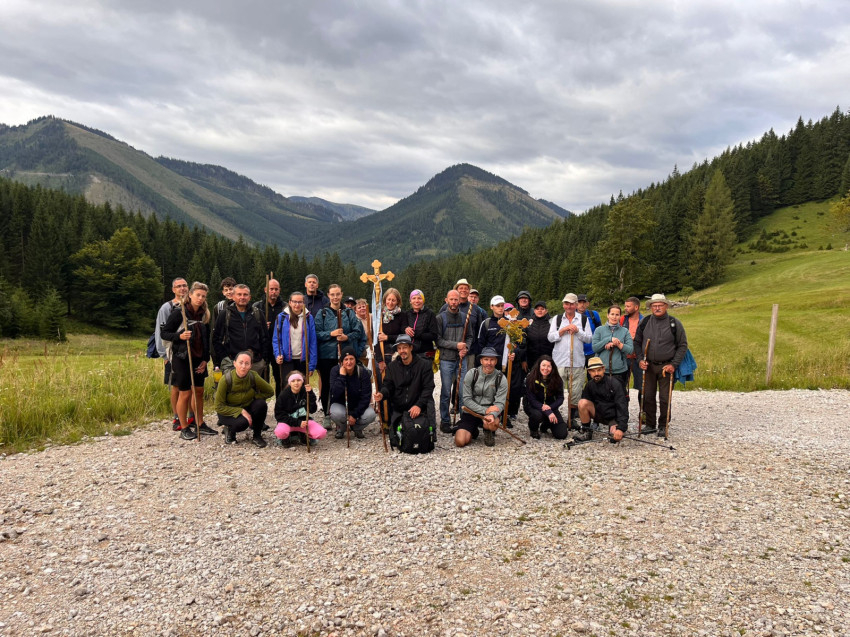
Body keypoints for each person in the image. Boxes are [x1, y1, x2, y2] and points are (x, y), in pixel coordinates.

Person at [161, 282, 215, 439]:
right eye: (197, 295)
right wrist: (179, 336)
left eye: (203, 296)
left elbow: (207, 338)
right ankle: (184, 427)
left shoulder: (204, 314)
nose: (200, 298)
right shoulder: (180, 312)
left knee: (199, 391)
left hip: (199, 357)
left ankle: (199, 423)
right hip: (182, 357)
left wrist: (206, 359)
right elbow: (165, 333)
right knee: (185, 392)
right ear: (190, 295)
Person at [633, 294, 688, 436]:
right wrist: (640, 360)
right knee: (647, 397)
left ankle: (663, 425)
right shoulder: (645, 322)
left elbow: (682, 345)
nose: (657, 308)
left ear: (666, 306)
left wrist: (674, 365)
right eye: (654, 305)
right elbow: (637, 342)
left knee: (665, 398)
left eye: (660, 305)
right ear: (651, 307)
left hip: (666, 367)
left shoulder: (674, 323)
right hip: (648, 366)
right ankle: (650, 424)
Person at [373, 334, 436, 448]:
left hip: (419, 406)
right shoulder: (392, 367)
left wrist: (419, 405)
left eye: (405, 347)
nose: (402, 351)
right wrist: (382, 394)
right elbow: (388, 385)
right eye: (399, 348)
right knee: (396, 440)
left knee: (423, 435)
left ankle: (430, 433)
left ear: (411, 347)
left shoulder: (424, 365)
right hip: (400, 407)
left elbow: (428, 388)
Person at [315, 284, 365, 425]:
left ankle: (344, 414)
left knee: (346, 383)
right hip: (327, 356)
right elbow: (316, 333)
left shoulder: (349, 313)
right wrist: (330, 334)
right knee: (327, 385)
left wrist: (346, 337)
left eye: (338, 294)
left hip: (345, 356)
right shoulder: (322, 313)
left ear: (341, 294)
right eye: (332, 294)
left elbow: (358, 332)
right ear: (328, 295)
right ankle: (327, 414)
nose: (335, 297)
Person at [477, 295, 524, 427]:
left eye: (502, 305)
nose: (500, 308)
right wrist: (483, 361)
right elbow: (481, 344)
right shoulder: (486, 323)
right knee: (489, 389)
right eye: (497, 306)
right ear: (491, 307)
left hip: (507, 363)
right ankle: (488, 414)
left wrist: (515, 353)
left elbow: (518, 343)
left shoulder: (511, 323)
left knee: (505, 389)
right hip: (490, 364)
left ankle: (504, 415)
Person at [547, 293, 592, 425]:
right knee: (556, 390)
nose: (569, 306)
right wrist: (562, 330)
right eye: (566, 303)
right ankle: (554, 417)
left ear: (576, 305)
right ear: (563, 305)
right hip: (559, 361)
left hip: (577, 361)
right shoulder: (557, 319)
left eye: (572, 304)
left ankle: (571, 419)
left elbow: (589, 338)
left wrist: (578, 331)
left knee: (575, 392)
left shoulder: (583, 319)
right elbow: (550, 338)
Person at [215, 350, 274, 447]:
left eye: (247, 363)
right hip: (228, 412)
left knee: (261, 404)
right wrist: (240, 411)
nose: (243, 366)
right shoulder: (225, 379)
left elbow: (270, 391)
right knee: (242, 423)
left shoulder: (253, 376)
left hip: (247, 406)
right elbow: (218, 407)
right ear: (234, 363)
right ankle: (229, 430)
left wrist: (254, 397)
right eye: (241, 362)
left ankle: (257, 436)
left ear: (251, 366)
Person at [436, 289, 475, 433]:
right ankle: (445, 421)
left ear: (460, 300)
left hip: (461, 360)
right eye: (451, 299)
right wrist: (456, 345)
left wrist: (466, 348)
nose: (453, 302)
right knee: (446, 391)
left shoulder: (465, 317)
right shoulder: (440, 318)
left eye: (456, 299)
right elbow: (438, 340)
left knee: (463, 391)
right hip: (446, 360)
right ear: (446, 300)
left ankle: (464, 421)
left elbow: (469, 337)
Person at [454, 347, 507, 447]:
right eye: (486, 359)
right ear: (481, 361)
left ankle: (488, 431)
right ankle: (473, 430)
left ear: (496, 361)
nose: (489, 363)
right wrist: (484, 410)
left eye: (492, 360)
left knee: (491, 424)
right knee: (460, 442)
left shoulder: (501, 378)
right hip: (471, 411)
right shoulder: (472, 374)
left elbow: (500, 403)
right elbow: (466, 399)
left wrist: (492, 414)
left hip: (490, 412)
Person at [211, 284, 267, 375]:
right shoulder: (225, 314)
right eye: (239, 294)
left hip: (254, 363)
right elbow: (216, 339)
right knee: (233, 384)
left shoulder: (257, 314)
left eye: (245, 294)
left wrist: (263, 358)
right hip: (232, 362)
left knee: (253, 384)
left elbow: (265, 338)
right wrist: (223, 358)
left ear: (249, 297)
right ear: (233, 297)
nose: (242, 297)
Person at [155, 277, 188, 430]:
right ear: (173, 289)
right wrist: (164, 355)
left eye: (185, 285)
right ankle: (176, 417)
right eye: (178, 286)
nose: (182, 288)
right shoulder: (166, 308)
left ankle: (189, 416)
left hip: (187, 353)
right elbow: (160, 332)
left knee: (188, 387)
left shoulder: (190, 305)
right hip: (171, 353)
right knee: (176, 385)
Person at [577, 357, 629, 443]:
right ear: (589, 372)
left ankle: (613, 427)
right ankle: (586, 431)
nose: (596, 373)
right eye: (593, 371)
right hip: (598, 414)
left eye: (599, 370)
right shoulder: (589, 385)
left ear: (604, 369)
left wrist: (621, 428)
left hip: (613, 417)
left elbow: (622, 406)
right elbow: (586, 406)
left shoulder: (615, 383)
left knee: (615, 437)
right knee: (582, 403)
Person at [272, 291, 318, 389]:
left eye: (300, 302)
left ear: (303, 303)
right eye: (294, 302)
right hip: (286, 360)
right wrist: (278, 354)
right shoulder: (281, 317)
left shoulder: (308, 318)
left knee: (302, 388)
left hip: (303, 360)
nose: (297, 305)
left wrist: (312, 364)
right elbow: (276, 339)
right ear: (290, 302)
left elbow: (313, 342)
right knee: (288, 388)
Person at [329, 346, 377, 439]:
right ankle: (342, 428)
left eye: (351, 359)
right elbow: (334, 394)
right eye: (346, 359)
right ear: (342, 361)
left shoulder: (363, 372)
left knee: (371, 415)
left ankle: (357, 428)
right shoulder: (335, 371)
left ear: (355, 360)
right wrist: (342, 377)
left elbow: (366, 397)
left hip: (357, 405)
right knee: (335, 413)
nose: (349, 362)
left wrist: (355, 415)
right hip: (341, 405)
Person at [273, 370, 325, 447]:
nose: (296, 383)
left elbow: (312, 410)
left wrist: (310, 394)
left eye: (298, 380)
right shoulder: (283, 395)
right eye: (293, 381)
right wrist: (298, 422)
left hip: (304, 422)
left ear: (302, 381)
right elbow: (279, 415)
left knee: (321, 433)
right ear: (289, 383)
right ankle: (285, 438)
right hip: (288, 422)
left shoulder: (306, 392)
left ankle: (304, 435)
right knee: (281, 432)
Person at [592, 305, 634, 391]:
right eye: (612, 314)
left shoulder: (625, 331)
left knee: (619, 395)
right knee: (602, 395)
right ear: (608, 315)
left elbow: (630, 350)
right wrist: (609, 339)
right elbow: (595, 348)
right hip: (602, 370)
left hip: (620, 371)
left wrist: (617, 343)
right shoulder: (599, 330)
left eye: (617, 314)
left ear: (620, 316)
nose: (614, 317)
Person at [524, 354, 566, 440]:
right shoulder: (530, 378)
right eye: (543, 365)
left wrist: (550, 408)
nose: (546, 368)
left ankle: (546, 424)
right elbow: (531, 399)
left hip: (551, 406)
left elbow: (560, 398)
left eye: (549, 366)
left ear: (552, 368)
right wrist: (547, 410)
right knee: (537, 415)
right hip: (534, 406)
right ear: (539, 365)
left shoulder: (557, 379)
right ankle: (533, 429)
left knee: (561, 434)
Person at [253, 278, 284, 393]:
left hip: (279, 347)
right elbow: (250, 327)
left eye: (276, 289)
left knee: (280, 378)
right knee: (262, 378)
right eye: (271, 289)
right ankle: (262, 403)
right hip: (262, 347)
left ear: (279, 290)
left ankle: (280, 402)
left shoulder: (285, 307)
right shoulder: (257, 307)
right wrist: (260, 326)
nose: (274, 292)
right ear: (266, 290)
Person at [620, 296, 644, 403]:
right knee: (621, 385)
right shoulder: (622, 320)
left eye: (628, 306)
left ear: (636, 307)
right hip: (624, 357)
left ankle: (642, 411)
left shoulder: (644, 320)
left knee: (642, 387)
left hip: (639, 358)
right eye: (625, 306)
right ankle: (623, 410)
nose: (625, 308)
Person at [405, 289, 438, 360]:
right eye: (414, 298)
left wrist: (417, 334)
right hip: (409, 353)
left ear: (423, 300)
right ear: (410, 301)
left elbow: (434, 335)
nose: (416, 301)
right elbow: (402, 328)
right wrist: (405, 329)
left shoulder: (430, 314)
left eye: (419, 298)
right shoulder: (407, 314)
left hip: (425, 354)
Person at [209, 276, 236, 355]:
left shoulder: (241, 305)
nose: (229, 292)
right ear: (223, 292)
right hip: (223, 346)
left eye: (231, 289)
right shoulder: (219, 307)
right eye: (226, 290)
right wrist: (213, 353)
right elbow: (214, 330)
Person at [525, 300, 554, 371]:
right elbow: (525, 343)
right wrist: (524, 360)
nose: (540, 311)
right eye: (537, 309)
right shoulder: (529, 323)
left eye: (542, 309)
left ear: (546, 311)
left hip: (548, 359)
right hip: (532, 360)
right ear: (534, 311)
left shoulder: (552, 322)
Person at [577, 294, 602, 365]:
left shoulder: (594, 315)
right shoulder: (572, 316)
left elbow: (600, 331)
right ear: (576, 304)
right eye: (580, 302)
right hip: (578, 353)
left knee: (594, 371)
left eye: (584, 302)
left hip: (593, 351)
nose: (582, 305)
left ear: (587, 304)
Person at [354, 298, 373, 367]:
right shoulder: (355, 320)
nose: (362, 308)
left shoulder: (372, 317)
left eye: (363, 306)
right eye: (359, 308)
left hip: (372, 346)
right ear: (355, 311)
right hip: (361, 348)